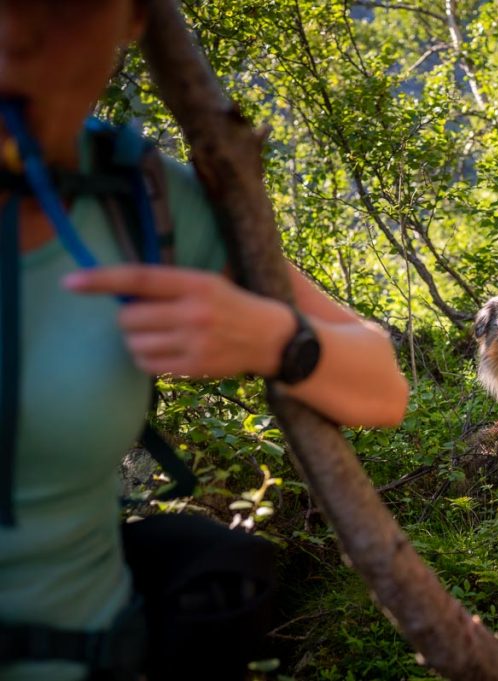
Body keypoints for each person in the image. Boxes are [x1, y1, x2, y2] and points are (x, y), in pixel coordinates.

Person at [0, 1, 410, 680]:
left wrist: (273, 337)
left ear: (133, 19)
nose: (15, 35)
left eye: (63, 5)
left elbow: (382, 384)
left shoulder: (140, 201)